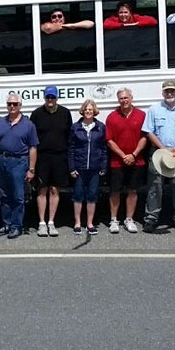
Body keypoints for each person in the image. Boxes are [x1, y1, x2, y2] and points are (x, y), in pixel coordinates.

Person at [143, 80, 175, 233]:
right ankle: (151, 218)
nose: (169, 94)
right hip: (158, 153)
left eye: (172, 91)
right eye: (166, 91)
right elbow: (148, 131)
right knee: (154, 186)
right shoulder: (154, 109)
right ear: (162, 93)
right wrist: (163, 149)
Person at [0, 92, 37, 240]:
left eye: (15, 104)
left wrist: (31, 169)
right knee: (4, 195)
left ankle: (17, 226)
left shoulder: (28, 125)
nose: (12, 106)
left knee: (17, 196)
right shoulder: (1, 122)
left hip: (19, 162)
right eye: (9, 104)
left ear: (20, 106)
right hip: (3, 160)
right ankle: (7, 224)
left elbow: (33, 148)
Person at [105, 87, 149, 234]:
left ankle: (129, 219)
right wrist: (123, 155)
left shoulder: (141, 115)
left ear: (131, 98)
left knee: (133, 190)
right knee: (115, 190)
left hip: (137, 160)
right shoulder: (112, 117)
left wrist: (134, 154)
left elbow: (145, 137)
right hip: (117, 161)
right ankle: (114, 219)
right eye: (121, 98)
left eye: (126, 98)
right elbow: (109, 140)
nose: (124, 100)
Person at [30, 85, 72, 237]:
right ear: (44, 97)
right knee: (41, 189)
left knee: (55, 189)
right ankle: (41, 223)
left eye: (53, 97)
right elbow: (32, 139)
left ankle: (51, 222)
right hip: (42, 156)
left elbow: (69, 136)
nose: (50, 100)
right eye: (48, 97)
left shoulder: (65, 113)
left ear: (57, 98)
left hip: (59, 156)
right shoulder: (36, 114)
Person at [67, 99, 106, 235]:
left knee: (92, 195)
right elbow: (71, 148)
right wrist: (71, 167)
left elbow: (103, 148)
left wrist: (103, 166)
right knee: (78, 195)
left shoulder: (100, 126)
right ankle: (77, 223)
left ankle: (90, 223)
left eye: (91, 109)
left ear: (94, 111)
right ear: (82, 111)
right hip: (79, 166)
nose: (88, 112)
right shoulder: (76, 127)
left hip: (94, 167)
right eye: (86, 109)